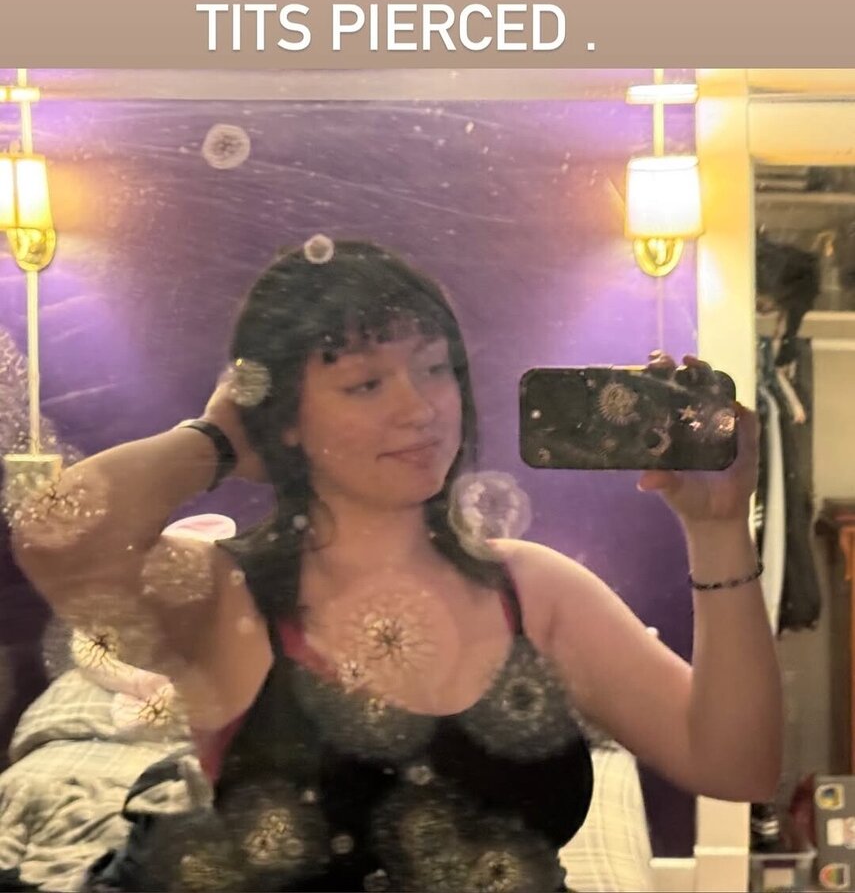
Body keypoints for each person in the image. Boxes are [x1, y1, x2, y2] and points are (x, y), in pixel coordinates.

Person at [10, 238, 782, 893]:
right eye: (366, 383)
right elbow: (54, 535)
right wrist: (216, 438)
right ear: (284, 418)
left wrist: (717, 530)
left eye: (435, 369)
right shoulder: (227, 598)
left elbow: (735, 765)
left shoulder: (532, 589)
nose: (419, 408)